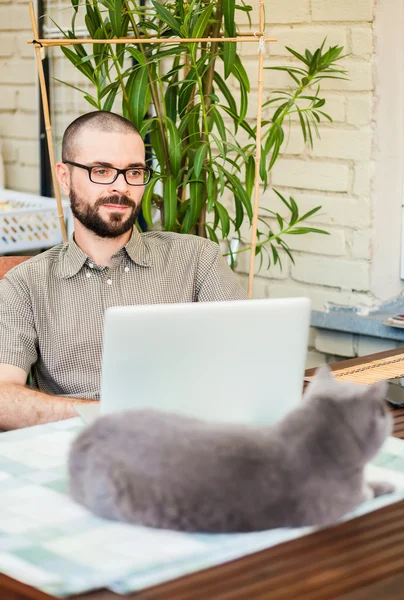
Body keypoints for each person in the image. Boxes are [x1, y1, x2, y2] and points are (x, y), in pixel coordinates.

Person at [0, 111, 247, 430]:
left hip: (187, 437)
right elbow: (4, 398)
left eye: (133, 172)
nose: (121, 187)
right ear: (64, 177)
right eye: (101, 170)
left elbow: (247, 365)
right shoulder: (25, 284)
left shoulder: (197, 259)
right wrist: (108, 413)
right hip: (80, 446)